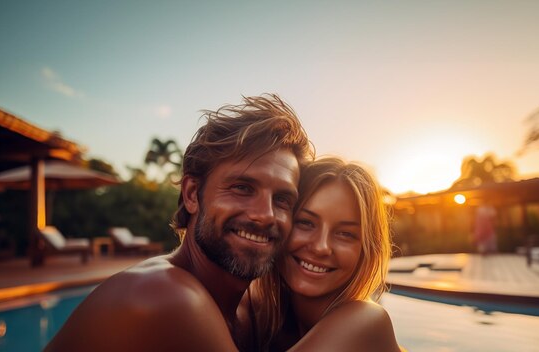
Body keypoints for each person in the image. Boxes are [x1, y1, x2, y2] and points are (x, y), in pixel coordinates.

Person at [46, 94, 312, 352]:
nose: (265, 215)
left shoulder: (250, 305)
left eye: (282, 199)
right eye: (242, 187)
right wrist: (349, 317)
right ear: (192, 194)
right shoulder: (164, 293)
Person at [250, 157, 401, 351]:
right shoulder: (268, 320)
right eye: (306, 223)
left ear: (366, 250)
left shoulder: (366, 319)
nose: (321, 247)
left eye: (345, 234)